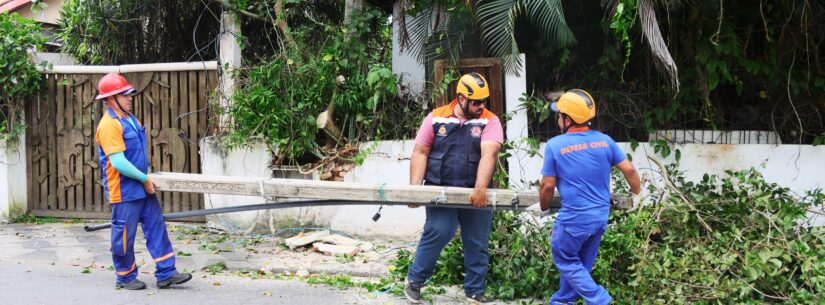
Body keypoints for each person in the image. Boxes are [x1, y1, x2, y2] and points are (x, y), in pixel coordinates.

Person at [404, 72, 504, 304]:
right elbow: (420, 152)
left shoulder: (490, 121)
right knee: (439, 230)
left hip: (475, 193)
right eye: (476, 102)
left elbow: (489, 154)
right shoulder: (436, 118)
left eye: (484, 101)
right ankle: (414, 280)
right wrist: (414, 190)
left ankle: (474, 290)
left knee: (477, 241)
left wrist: (480, 189)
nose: (482, 106)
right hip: (440, 192)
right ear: (461, 99)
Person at [536, 89, 641, 305]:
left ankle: (601, 300)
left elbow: (547, 185)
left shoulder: (556, 145)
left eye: (559, 115)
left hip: (574, 219)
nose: (557, 119)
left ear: (567, 119)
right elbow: (630, 171)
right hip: (600, 218)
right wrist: (637, 195)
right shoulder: (605, 141)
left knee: (565, 257)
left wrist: (544, 206)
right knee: (579, 265)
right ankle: (563, 301)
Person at [94, 73, 192, 290]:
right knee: (124, 235)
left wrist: (145, 178)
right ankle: (125, 276)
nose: (130, 97)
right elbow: (118, 162)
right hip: (124, 189)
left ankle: (166, 272)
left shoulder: (130, 119)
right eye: (124, 94)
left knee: (156, 227)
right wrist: (145, 178)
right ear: (111, 98)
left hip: (141, 185)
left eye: (129, 94)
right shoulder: (109, 125)